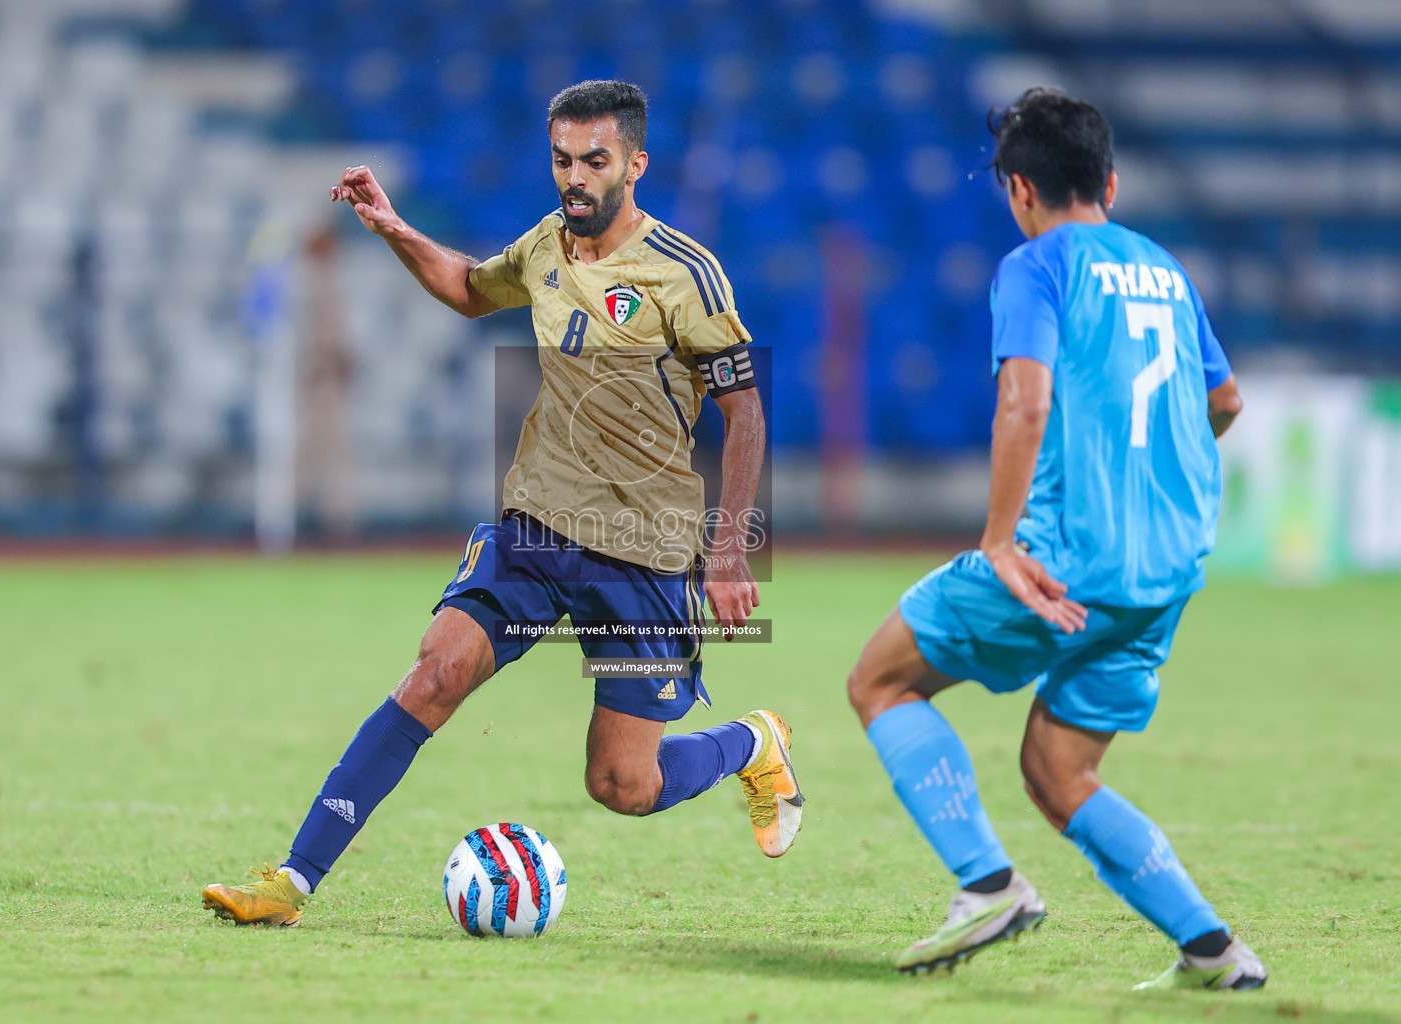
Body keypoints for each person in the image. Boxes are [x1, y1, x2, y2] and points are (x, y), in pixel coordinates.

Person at [201, 80, 801, 928]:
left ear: (636, 163)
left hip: (645, 555)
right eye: (562, 159)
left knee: (623, 786)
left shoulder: (686, 274)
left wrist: (732, 550)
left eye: (594, 160)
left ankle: (752, 743)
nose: (575, 177)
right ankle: (291, 883)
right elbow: (470, 288)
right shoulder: (548, 246)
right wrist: (394, 227)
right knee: (436, 672)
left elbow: (745, 412)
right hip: (537, 532)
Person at [845, 88, 1265, 990]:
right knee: (1059, 769)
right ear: (1110, 181)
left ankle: (986, 885)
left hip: (1064, 558)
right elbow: (1224, 401)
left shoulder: (1037, 267)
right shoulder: (1164, 268)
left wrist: (1000, 540)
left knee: (880, 680)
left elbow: (1024, 399)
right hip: (1167, 568)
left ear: (1019, 190)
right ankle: (1214, 953)